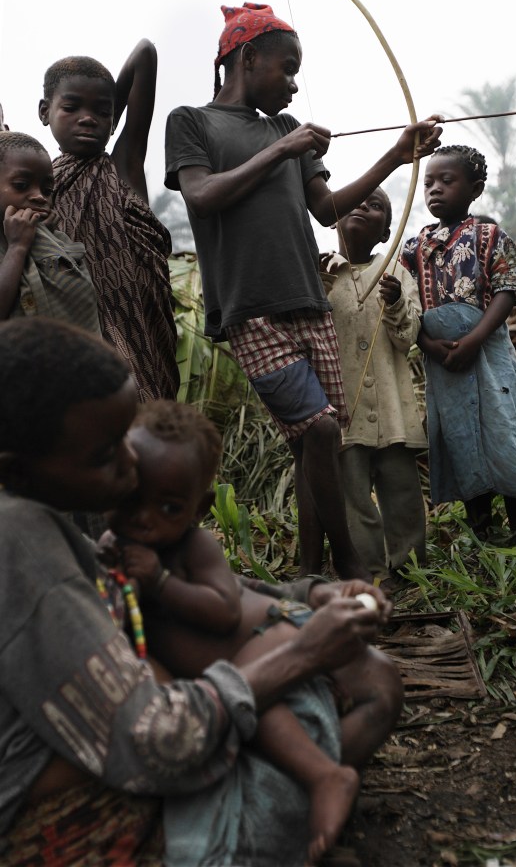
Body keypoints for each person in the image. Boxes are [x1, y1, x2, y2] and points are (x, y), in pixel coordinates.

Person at [0, 316, 396, 867]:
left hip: (132, 734)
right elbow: (153, 742)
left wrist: (307, 595)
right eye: (105, 453)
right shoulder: (17, 542)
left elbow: (188, 588)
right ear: (16, 469)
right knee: (339, 694)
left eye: (124, 437)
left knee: (366, 673)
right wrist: (305, 652)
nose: (131, 461)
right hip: (71, 797)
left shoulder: (53, 511)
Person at [164, 1, 442, 581]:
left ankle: (311, 575)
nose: (294, 83)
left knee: (314, 446)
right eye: (287, 68)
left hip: (307, 303)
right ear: (248, 57)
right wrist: (280, 152)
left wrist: (396, 154)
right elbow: (203, 195)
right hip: (248, 310)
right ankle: (350, 569)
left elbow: (328, 210)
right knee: (318, 429)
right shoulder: (192, 122)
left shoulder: (287, 130)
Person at [103, 399, 401, 863]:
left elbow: (224, 609)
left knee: (381, 687)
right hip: (235, 680)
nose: (144, 517)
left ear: (198, 508)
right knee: (260, 712)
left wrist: (160, 583)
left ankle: (327, 776)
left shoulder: (192, 546)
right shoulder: (108, 551)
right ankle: (315, 789)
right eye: (131, 498)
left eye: (167, 506)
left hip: (265, 641)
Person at [401, 145, 516, 541]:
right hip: (442, 362)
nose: (435, 189)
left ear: (475, 188)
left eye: (447, 181)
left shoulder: (488, 236)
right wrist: (428, 344)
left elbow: (508, 289)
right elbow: (406, 308)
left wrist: (474, 339)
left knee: (502, 427)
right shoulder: (413, 249)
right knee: (459, 437)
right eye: (429, 182)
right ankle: (482, 528)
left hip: (486, 353)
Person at [38, 38, 179, 401]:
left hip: (144, 332)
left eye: (102, 111)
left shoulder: (124, 165)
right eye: (72, 107)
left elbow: (146, 52)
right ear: (44, 112)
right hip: (78, 336)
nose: (88, 118)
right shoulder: (37, 187)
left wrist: (111, 111)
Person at [320, 187, 427, 590]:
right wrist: (321, 288)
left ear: (387, 231)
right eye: (358, 200)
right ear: (334, 219)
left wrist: (397, 302)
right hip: (343, 408)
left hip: (394, 409)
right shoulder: (322, 271)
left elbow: (408, 336)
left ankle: (409, 569)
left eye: (377, 205)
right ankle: (367, 571)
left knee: (401, 493)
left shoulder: (396, 272)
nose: (364, 206)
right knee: (353, 499)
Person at [0, 130, 100, 333]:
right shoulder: (17, 242)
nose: (39, 197)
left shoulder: (58, 242)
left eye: (47, 191)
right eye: (21, 185)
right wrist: (17, 247)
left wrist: (43, 239)